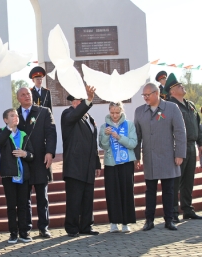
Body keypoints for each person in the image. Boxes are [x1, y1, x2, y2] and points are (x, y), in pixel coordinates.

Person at [134, 83, 186, 231]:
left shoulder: (171, 108)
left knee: (168, 190)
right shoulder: (139, 112)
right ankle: (148, 220)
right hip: (149, 157)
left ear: (156, 93)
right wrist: (137, 156)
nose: (145, 98)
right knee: (150, 190)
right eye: (143, 95)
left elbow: (180, 132)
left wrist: (180, 154)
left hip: (168, 157)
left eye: (147, 95)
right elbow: (137, 135)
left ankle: (169, 220)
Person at [61, 86, 101, 237]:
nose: (79, 102)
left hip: (88, 165)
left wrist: (97, 163)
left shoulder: (89, 119)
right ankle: (72, 228)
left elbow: (93, 143)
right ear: (73, 102)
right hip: (74, 166)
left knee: (87, 198)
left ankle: (86, 226)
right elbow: (75, 116)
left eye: (81, 100)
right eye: (78, 100)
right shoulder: (68, 114)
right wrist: (89, 101)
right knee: (74, 199)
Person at [16, 87, 57, 239]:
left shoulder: (44, 112)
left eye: (28, 94)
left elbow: (51, 133)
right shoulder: (15, 114)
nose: (27, 96)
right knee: (24, 198)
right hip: (23, 161)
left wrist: (49, 152)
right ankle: (26, 229)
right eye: (23, 95)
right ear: (18, 98)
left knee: (42, 197)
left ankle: (43, 227)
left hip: (41, 159)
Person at [165, 73, 202, 222]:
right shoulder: (169, 106)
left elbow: (197, 125)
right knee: (175, 180)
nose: (183, 86)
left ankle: (187, 209)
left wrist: (200, 144)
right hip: (177, 146)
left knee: (188, 180)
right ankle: (173, 212)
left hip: (191, 146)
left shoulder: (191, 105)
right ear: (172, 91)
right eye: (179, 86)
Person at [0, 108, 34, 243]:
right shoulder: (2, 132)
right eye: (12, 116)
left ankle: (24, 232)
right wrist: (8, 129)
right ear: (6, 120)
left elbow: (32, 154)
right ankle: (13, 233)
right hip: (9, 175)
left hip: (24, 176)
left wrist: (25, 154)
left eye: (16, 115)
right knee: (12, 205)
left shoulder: (24, 134)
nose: (15, 117)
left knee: (23, 205)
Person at [99, 102, 137, 233]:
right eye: (112, 112)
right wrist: (106, 135)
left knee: (126, 191)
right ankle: (114, 222)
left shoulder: (129, 124)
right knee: (112, 193)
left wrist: (118, 137)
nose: (114, 115)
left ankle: (126, 223)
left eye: (117, 112)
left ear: (121, 111)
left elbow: (133, 143)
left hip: (126, 163)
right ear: (109, 111)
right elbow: (103, 146)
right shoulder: (104, 126)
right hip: (111, 164)